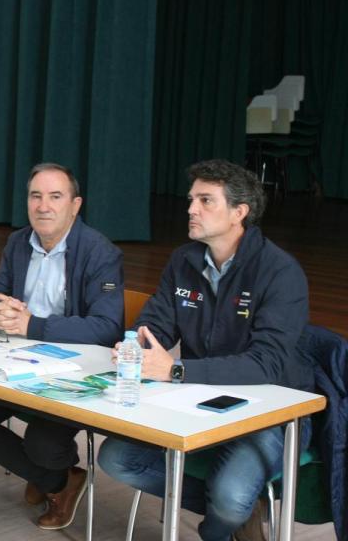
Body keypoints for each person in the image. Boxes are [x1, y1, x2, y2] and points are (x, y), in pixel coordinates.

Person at [97, 160, 311, 541]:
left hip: (270, 411)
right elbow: (154, 324)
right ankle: (240, 508)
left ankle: (226, 517)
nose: (191, 209)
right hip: (201, 401)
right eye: (191, 199)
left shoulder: (280, 271)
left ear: (239, 213)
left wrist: (176, 371)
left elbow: (268, 364)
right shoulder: (184, 260)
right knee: (115, 458)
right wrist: (136, 347)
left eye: (205, 201)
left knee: (230, 497)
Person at [0, 163, 124, 530]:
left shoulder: (99, 252)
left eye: (55, 197)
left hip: (72, 372)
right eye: (36, 196)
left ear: (75, 205)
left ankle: (48, 470)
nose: (43, 206)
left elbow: (107, 328)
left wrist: (32, 325)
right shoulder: (18, 242)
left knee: (42, 444)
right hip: (17, 363)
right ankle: (58, 480)